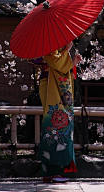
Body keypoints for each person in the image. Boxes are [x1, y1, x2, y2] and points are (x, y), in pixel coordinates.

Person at [37, 42, 82, 183]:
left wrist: (73, 62)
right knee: (54, 125)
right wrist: (67, 50)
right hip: (51, 86)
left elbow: (62, 66)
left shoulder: (58, 46)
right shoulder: (47, 44)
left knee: (63, 126)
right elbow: (56, 64)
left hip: (59, 87)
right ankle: (52, 170)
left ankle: (57, 170)